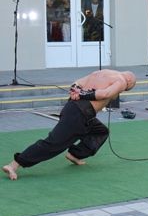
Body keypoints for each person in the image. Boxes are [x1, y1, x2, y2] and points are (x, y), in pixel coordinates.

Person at [2, 70, 137, 180]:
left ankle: (75, 154)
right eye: (127, 89)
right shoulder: (121, 81)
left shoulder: (101, 72)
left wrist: (77, 90)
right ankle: (14, 164)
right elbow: (105, 94)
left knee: (100, 131)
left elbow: (77, 83)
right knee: (53, 143)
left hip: (75, 110)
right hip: (78, 115)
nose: (123, 90)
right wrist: (83, 93)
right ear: (129, 81)